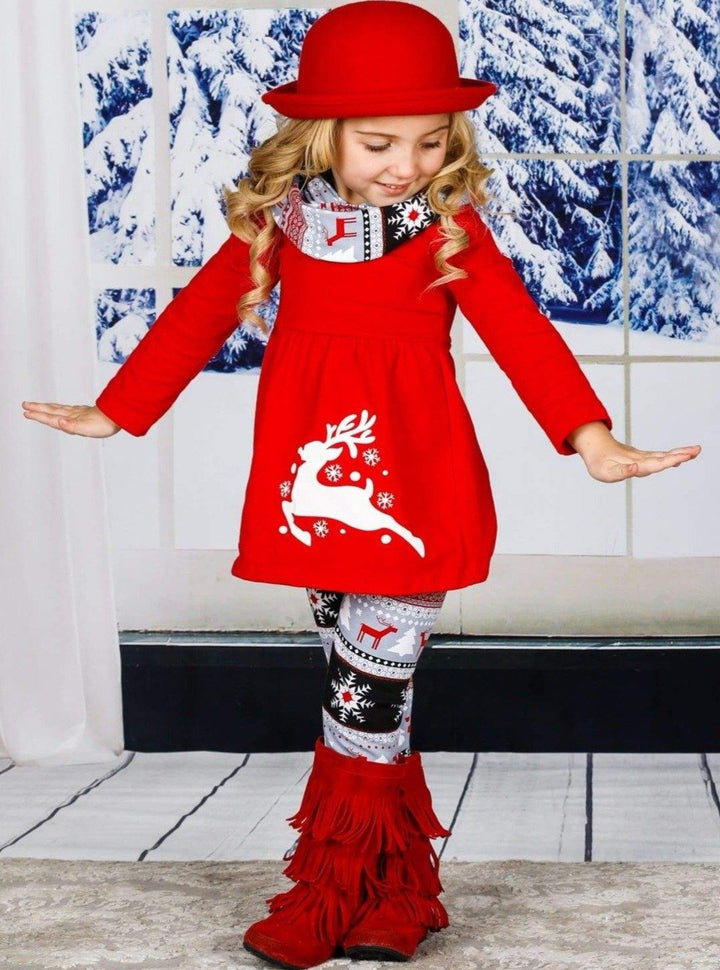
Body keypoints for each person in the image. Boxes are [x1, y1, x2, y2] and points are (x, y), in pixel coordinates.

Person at [22, 2, 701, 968]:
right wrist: (116, 411)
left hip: (414, 492)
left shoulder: (446, 234)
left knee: (364, 698)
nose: (407, 165)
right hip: (309, 493)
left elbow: (524, 336)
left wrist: (591, 439)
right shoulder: (281, 226)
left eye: (431, 142)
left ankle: (326, 890)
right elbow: (195, 319)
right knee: (370, 692)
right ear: (321, 135)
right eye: (380, 143)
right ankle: (401, 890)